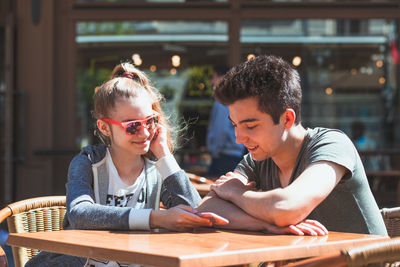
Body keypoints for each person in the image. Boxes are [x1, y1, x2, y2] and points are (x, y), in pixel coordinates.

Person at [26, 62, 213, 267]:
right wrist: (156, 218)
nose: (144, 133)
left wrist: (165, 155)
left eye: (149, 121)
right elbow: (80, 213)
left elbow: (193, 211)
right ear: (104, 127)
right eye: (132, 126)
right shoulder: (88, 163)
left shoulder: (156, 169)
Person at [197, 55, 387, 236]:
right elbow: (206, 209)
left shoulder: (331, 145)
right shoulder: (258, 158)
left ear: (287, 118)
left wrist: (236, 193)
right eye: (234, 125)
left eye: (251, 126)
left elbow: (286, 208)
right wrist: (267, 224)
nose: (239, 138)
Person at [206, 65, 246, 177]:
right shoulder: (235, 98)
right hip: (233, 154)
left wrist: (215, 150)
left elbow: (221, 129)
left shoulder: (222, 100)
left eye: (214, 77)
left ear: (223, 78)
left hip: (224, 155)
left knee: (218, 190)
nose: (211, 81)